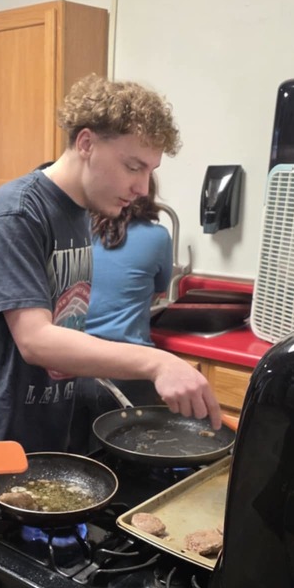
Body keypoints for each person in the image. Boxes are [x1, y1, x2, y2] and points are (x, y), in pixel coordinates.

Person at [0, 73, 221, 519]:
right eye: (133, 166)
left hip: (41, 431)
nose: (143, 187)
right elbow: (36, 340)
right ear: (86, 142)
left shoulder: (78, 212)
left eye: (150, 170)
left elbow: (67, 326)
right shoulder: (18, 213)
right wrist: (158, 361)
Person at [70, 176, 173, 451]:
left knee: (77, 462)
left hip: (73, 365)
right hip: (129, 371)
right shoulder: (158, 237)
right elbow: (158, 291)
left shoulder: (76, 232)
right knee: (128, 464)